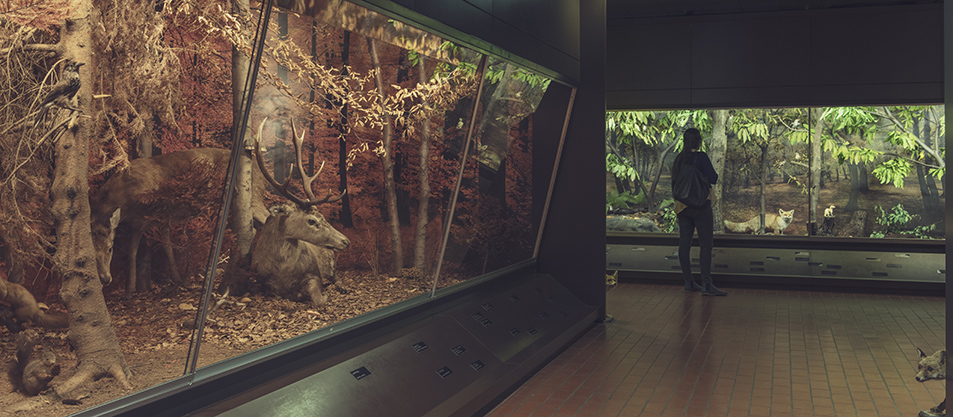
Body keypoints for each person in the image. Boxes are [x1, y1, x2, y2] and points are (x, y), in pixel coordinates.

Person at [671, 128, 727, 296]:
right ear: (699, 141)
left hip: (682, 207)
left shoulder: (678, 159)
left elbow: (674, 184)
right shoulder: (701, 157)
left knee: (684, 243)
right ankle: (707, 284)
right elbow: (713, 178)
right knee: (706, 245)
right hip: (700, 207)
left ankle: (688, 282)